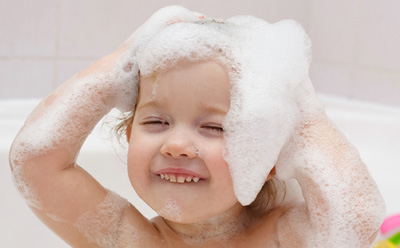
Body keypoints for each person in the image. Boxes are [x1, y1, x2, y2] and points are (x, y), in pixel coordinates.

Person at [9, 6, 385, 248]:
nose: (177, 145)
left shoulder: (285, 237)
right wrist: (117, 66)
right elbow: (35, 159)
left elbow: (357, 218)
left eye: (214, 129)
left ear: (268, 156)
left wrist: (300, 111)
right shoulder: (126, 239)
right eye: (156, 121)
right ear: (127, 134)